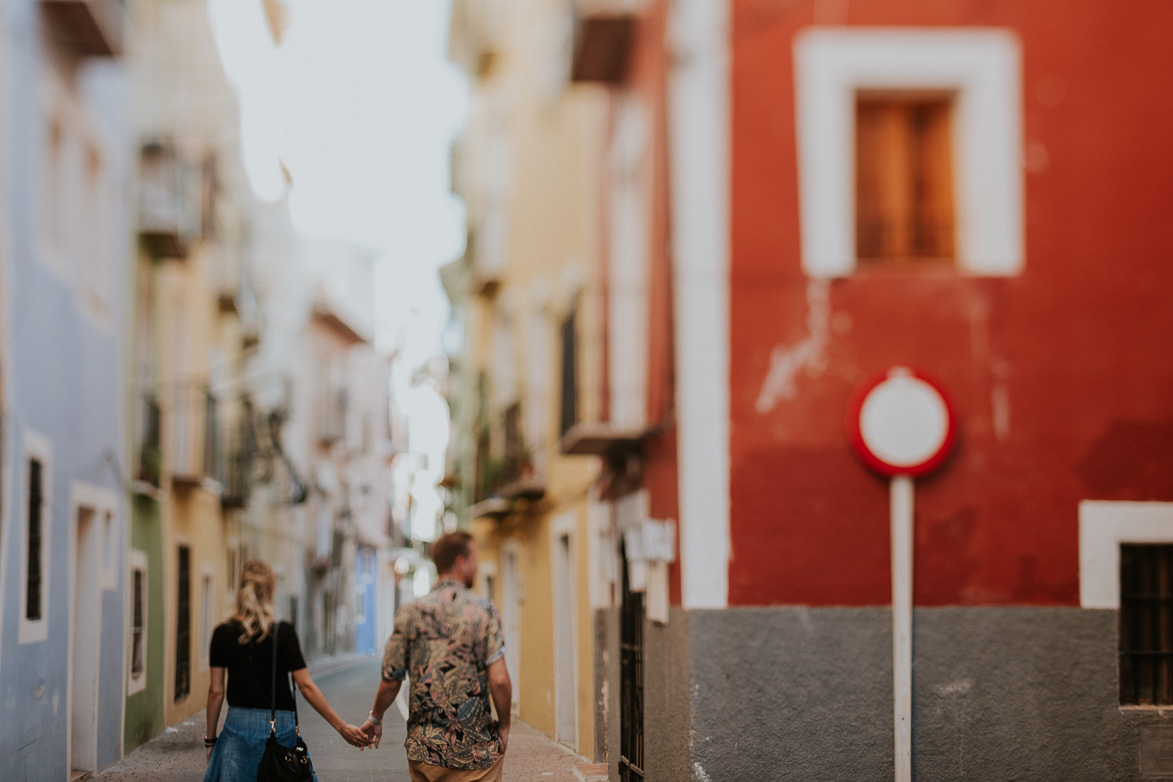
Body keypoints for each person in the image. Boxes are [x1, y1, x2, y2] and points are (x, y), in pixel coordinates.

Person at [360, 531, 512, 781]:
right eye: (475, 559)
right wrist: (504, 726)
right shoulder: (484, 611)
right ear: (460, 562)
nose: (478, 565)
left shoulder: (409, 612)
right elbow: (499, 680)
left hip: (426, 752)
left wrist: (375, 718)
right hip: (477, 755)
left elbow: (391, 679)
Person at [204, 559, 369, 781]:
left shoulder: (222, 633)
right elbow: (306, 686)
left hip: (237, 729)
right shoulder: (283, 632)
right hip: (279, 728)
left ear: (241, 590)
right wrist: (341, 727)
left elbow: (215, 692)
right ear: (271, 590)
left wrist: (211, 739)